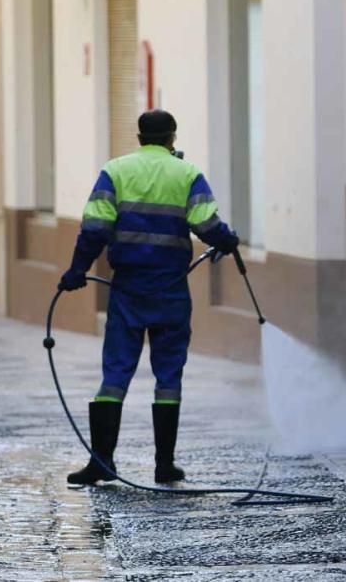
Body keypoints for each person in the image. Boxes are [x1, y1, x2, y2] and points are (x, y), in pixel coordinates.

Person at [60, 109, 239, 485]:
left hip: (127, 289)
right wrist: (226, 240)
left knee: (115, 373)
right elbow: (207, 224)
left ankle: (102, 463)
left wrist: (77, 270)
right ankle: (164, 465)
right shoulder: (187, 174)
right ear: (172, 138)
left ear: (139, 137)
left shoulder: (116, 171)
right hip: (171, 289)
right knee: (169, 375)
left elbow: (94, 228)